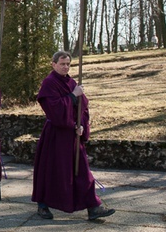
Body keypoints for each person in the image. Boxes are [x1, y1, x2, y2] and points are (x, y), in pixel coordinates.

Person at [32, 51, 115, 221]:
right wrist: (72, 96)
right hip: (55, 135)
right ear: (53, 64)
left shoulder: (71, 82)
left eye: (68, 64)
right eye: (62, 64)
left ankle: (93, 207)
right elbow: (54, 109)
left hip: (73, 135)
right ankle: (42, 205)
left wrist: (81, 125)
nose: (65, 67)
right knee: (50, 171)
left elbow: (83, 108)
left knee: (83, 170)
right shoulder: (49, 84)